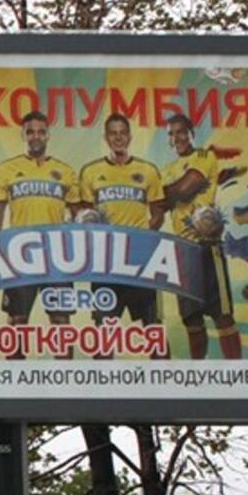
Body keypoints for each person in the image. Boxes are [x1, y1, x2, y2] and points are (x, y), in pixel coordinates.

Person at [0, 110, 81, 358]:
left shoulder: (66, 171)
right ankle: (17, 388)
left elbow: (79, 215)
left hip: (58, 258)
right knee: (17, 322)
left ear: (48, 135)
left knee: (61, 322)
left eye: (41, 131)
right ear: (23, 135)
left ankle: (66, 387)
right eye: (30, 132)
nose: (36, 137)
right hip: (21, 256)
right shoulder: (7, 169)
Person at [78, 113, 168, 358]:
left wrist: (144, 238)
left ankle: (168, 388)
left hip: (139, 264)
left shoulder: (147, 171)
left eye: (122, 133)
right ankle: (101, 393)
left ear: (129, 136)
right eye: (113, 133)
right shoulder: (90, 172)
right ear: (106, 138)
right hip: (105, 264)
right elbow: (85, 215)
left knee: (154, 331)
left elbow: (158, 213)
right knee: (103, 335)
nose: (118, 138)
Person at [161, 113, 242, 359]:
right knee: (192, 319)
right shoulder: (168, 169)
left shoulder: (205, 156)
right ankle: (198, 377)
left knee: (222, 315)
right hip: (182, 247)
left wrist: (169, 193)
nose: (178, 137)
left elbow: (185, 189)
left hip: (207, 245)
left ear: (191, 133)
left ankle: (238, 375)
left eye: (182, 131)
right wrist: (168, 194)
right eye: (172, 134)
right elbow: (160, 202)